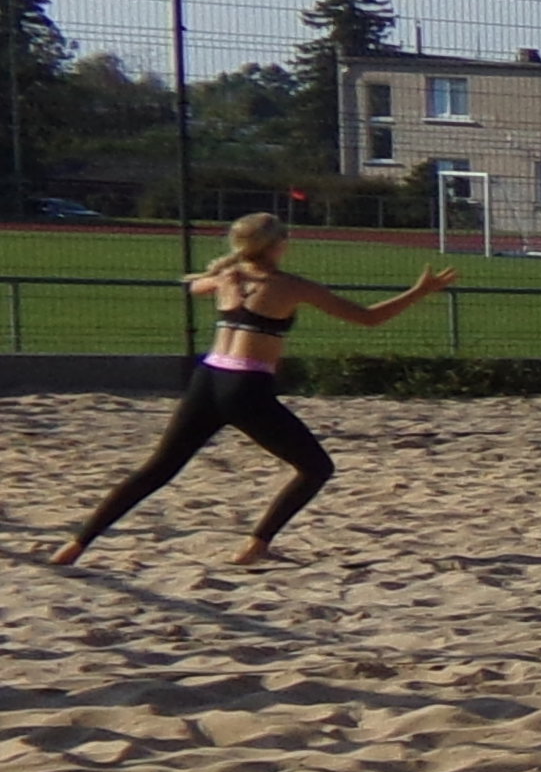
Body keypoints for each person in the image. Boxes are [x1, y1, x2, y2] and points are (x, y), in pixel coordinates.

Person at [50, 212, 457, 568]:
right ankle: (256, 544)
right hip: (246, 387)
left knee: (158, 469)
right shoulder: (290, 286)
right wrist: (419, 292)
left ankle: (76, 544)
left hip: (207, 379)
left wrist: (220, 276)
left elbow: (195, 287)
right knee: (316, 469)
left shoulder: (228, 277)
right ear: (278, 245)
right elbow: (368, 319)